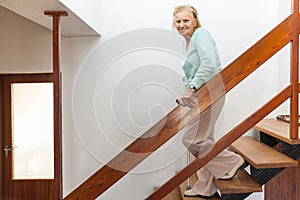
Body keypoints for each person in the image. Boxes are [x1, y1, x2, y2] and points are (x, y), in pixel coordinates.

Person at [173, 5, 245, 197]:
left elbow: (209, 65)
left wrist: (191, 89)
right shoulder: (186, 43)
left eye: (186, 20)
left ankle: (231, 161)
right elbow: (192, 74)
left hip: (211, 92)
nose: (181, 25)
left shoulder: (201, 34)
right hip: (201, 94)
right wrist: (186, 95)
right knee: (205, 140)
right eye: (178, 21)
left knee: (191, 139)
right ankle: (205, 187)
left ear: (195, 21)